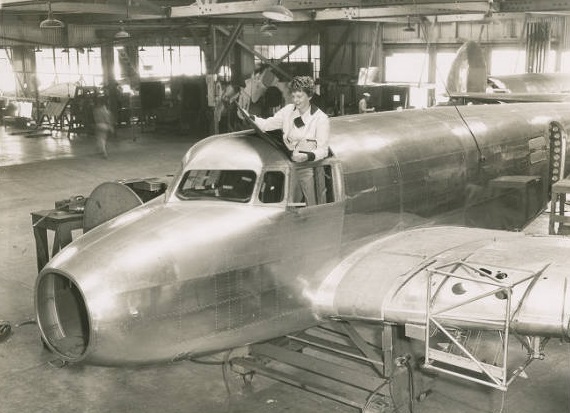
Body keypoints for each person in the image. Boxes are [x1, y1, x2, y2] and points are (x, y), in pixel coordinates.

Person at [253, 76, 330, 205]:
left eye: (299, 97)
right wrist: (252, 118)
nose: (295, 100)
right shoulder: (288, 110)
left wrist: (308, 156)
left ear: (309, 96)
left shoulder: (320, 118)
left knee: (314, 205)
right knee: (290, 204)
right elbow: (267, 125)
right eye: (293, 96)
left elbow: (323, 150)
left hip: (310, 167)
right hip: (291, 164)